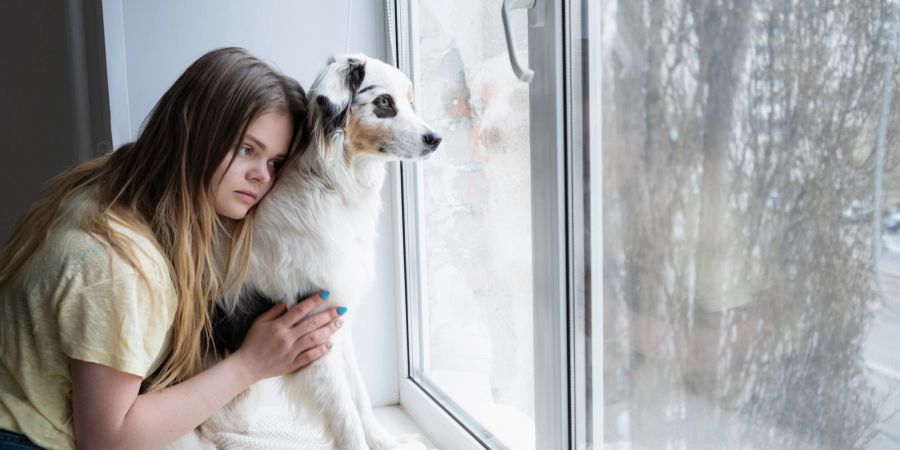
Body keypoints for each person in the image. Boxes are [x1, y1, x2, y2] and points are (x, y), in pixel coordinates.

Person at [0, 47, 344, 450]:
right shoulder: (119, 264)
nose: (260, 177)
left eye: (274, 163)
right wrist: (250, 364)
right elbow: (108, 440)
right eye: (247, 149)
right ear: (194, 133)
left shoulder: (109, 187)